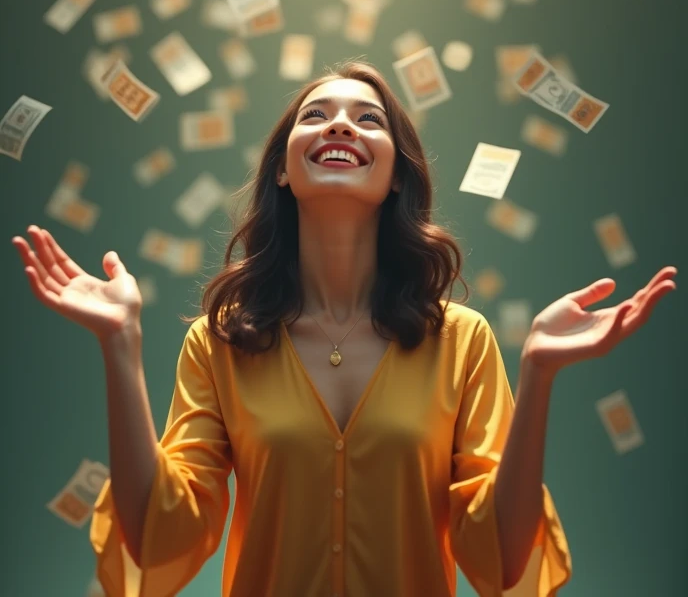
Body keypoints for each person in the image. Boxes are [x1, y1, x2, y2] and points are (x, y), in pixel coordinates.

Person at [12, 60, 676, 597]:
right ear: (283, 168)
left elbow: (502, 562)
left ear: (395, 175)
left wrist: (538, 374)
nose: (341, 127)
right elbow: (159, 539)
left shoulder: (464, 342)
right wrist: (119, 345)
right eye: (316, 116)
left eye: (368, 120)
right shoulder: (220, 342)